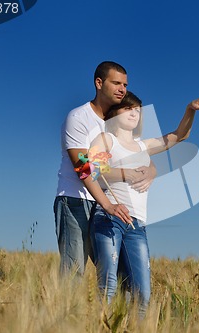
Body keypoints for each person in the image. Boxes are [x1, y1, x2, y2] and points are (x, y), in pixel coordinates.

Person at [89, 91, 199, 317]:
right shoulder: (107, 140)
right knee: (108, 286)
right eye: (127, 108)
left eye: (137, 110)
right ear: (114, 113)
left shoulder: (142, 146)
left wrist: (189, 110)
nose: (134, 113)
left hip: (137, 225)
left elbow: (178, 136)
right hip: (110, 218)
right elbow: (94, 171)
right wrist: (128, 174)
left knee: (143, 294)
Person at [54, 61, 157, 276]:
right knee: (74, 272)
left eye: (125, 84)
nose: (123, 89)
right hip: (76, 200)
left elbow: (137, 151)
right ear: (99, 83)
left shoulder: (118, 120)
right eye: (116, 83)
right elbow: (83, 168)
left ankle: (113, 311)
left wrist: (152, 170)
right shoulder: (78, 118)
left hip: (107, 207)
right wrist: (109, 205)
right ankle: (63, 310)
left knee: (122, 276)